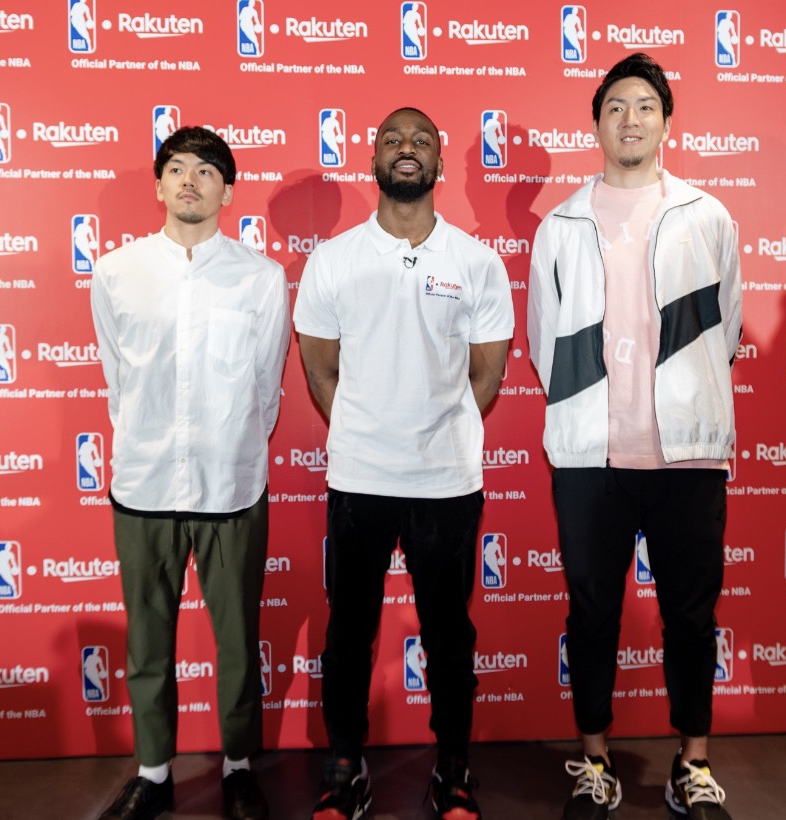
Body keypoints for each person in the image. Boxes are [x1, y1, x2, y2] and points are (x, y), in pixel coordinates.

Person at [527, 53, 742, 820]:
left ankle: (695, 764)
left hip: (686, 454)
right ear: (596, 122)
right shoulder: (560, 225)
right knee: (592, 611)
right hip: (591, 455)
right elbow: (544, 340)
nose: (629, 119)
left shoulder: (707, 216)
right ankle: (594, 762)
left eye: (644, 106)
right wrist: (587, 413)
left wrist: (682, 402)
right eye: (615, 106)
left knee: (691, 611)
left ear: (667, 122)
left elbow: (728, 330)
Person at [294, 107, 514, 820]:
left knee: (449, 632)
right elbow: (320, 372)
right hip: (359, 479)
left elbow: (487, 377)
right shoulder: (333, 260)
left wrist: (431, 436)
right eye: (393, 139)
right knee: (348, 632)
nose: (407, 148)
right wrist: (370, 432)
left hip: (446, 481)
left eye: (422, 139)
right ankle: (344, 765)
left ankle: (453, 767)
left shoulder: (476, 263)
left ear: (440, 165)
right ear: (375, 161)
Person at [90, 126, 290, 820]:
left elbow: (267, 388)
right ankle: (153, 772)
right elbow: (119, 379)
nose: (189, 182)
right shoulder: (117, 272)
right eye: (176, 169)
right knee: (148, 641)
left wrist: (233, 447)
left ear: (226, 191)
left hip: (232, 483)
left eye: (206, 172)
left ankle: (238, 767)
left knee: (237, 639)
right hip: (144, 483)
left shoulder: (260, 278)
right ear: (158, 184)